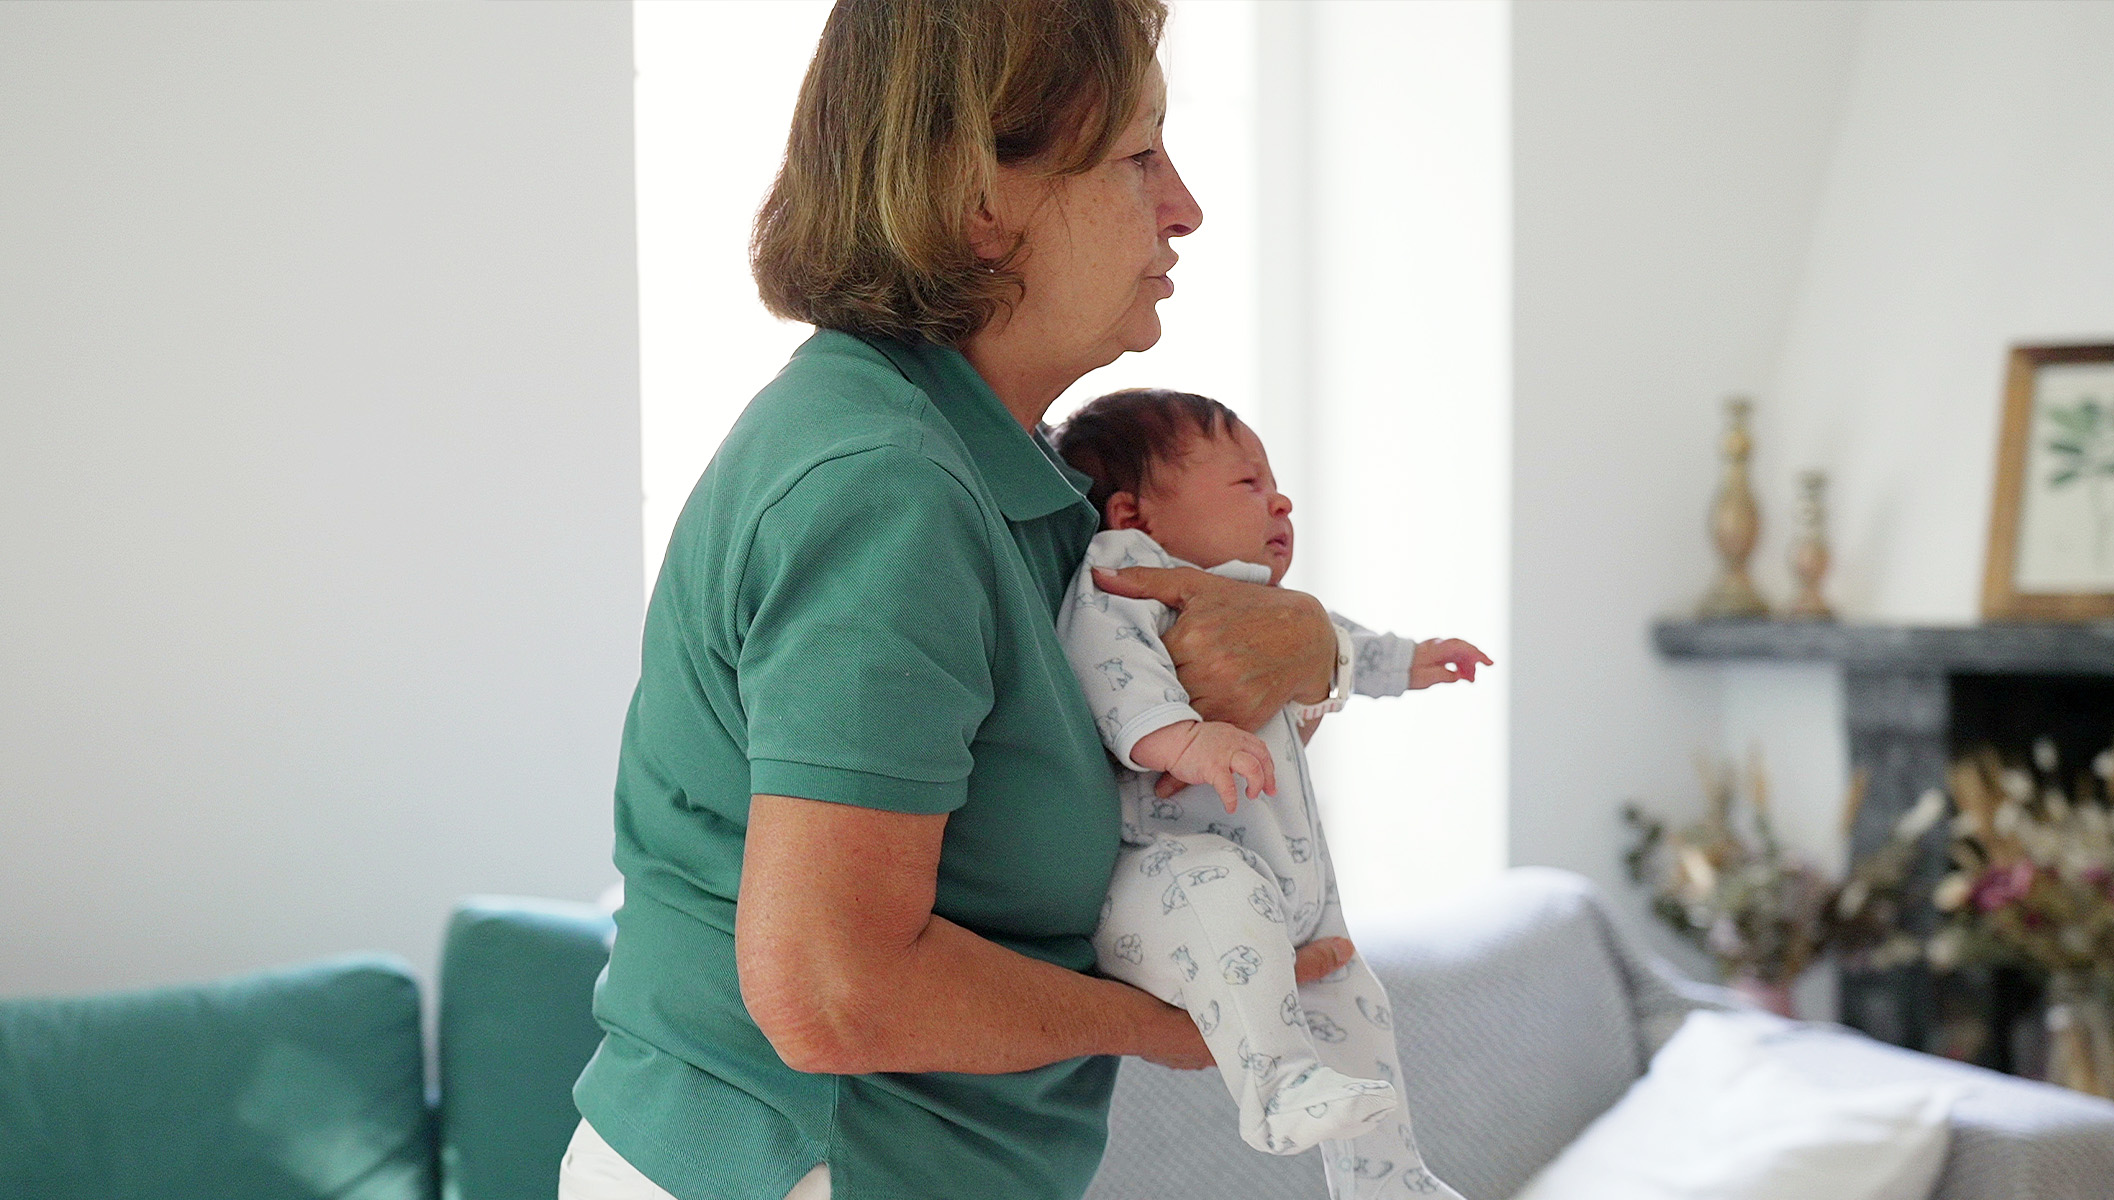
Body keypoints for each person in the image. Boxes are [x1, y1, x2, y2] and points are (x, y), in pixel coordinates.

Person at [559, 3, 1367, 1198]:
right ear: (978, 199)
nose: (1184, 205)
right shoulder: (887, 490)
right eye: (1140, 155)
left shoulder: (999, 470)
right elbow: (837, 993)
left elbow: (1133, 706)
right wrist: (1181, 1030)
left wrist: (1308, 646)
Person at [1052, 387, 1490, 1200]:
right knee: (1219, 894)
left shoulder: (1257, 604)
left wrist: (1413, 660)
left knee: (1358, 1008)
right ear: (1133, 514)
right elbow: (1110, 676)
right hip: (1166, 872)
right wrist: (1186, 739)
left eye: (1276, 482)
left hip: (1289, 885)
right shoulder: (1124, 576)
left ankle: (1387, 1178)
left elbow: (1337, 643)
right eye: (1247, 484)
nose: (1280, 499)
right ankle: (1277, 1088)